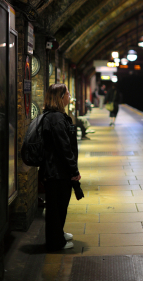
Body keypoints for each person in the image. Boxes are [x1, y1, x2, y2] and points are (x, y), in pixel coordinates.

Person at [39, 83, 81, 251]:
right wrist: (74, 170)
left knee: (57, 207)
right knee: (57, 208)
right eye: (67, 94)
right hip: (57, 172)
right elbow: (64, 148)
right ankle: (55, 243)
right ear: (60, 97)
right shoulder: (56, 118)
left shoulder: (52, 116)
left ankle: (58, 234)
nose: (69, 97)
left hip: (55, 170)